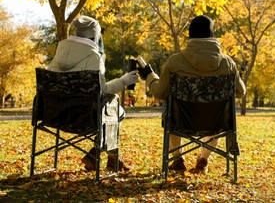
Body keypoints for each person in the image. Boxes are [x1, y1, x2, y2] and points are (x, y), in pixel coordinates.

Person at [138, 15, 246, 173]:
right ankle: (203, 160)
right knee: (217, 119)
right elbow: (240, 92)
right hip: (216, 122)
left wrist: (149, 75)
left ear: (190, 35)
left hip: (182, 121)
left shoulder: (174, 62)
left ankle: (177, 159)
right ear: (212, 35)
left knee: (171, 112)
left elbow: (160, 93)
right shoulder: (228, 63)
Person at [48, 15, 139, 172]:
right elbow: (101, 90)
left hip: (54, 114)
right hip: (85, 116)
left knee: (111, 110)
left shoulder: (58, 54)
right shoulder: (94, 56)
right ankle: (107, 158)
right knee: (116, 109)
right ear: (95, 34)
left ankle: (98, 156)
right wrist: (123, 81)